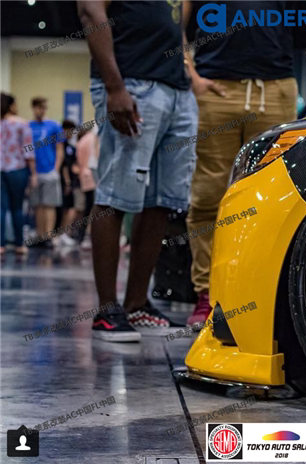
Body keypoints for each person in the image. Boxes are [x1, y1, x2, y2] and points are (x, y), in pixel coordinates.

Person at [182, 0, 306, 327]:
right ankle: (207, 294)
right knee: (208, 196)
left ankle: (257, 295)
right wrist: (191, 75)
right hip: (215, 88)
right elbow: (174, 21)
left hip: (274, 90)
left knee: (271, 199)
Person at [78, 0, 198, 342]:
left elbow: (176, 25)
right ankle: (107, 311)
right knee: (115, 196)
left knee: (161, 201)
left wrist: (188, 77)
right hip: (131, 83)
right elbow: (90, 11)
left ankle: (137, 304)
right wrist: (115, 87)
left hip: (176, 90)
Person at [1, 92, 35, 254]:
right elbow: (28, 150)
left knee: (1, 208)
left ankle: (1, 245)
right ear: (11, 105)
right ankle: (19, 244)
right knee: (17, 208)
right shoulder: (21, 124)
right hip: (18, 169)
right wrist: (33, 173)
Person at [28, 97, 63, 248]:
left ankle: (48, 236)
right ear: (33, 108)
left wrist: (56, 169)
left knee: (49, 204)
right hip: (35, 172)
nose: (41, 111)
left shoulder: (54, 126)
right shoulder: (28, 126)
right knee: (38, 205)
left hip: (49, 170)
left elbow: (60, 149)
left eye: (44, 108)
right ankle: (40, 236)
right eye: (38, 107)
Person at [57, 120, 79, 246]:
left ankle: (63, 233)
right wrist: (67, 182)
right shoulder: (60, 146)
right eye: (69, 131)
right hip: (63, 182)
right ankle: (59, 233)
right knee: (63, 208)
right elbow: (64, 166)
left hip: (71, 182)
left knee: (68, 207)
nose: (71, 134)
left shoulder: (71, 147)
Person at [75, 126, 98, 248]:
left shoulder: (81, 141)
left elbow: (79, 161)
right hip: (94, 176)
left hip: (85, 176)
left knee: (87, 208)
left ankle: (82, 235)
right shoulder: (93, 138)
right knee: (94, 208)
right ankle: (89, 235)